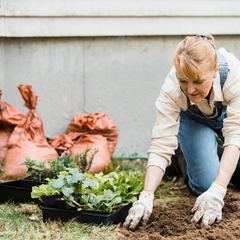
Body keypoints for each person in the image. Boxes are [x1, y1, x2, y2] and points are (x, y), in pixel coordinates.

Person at [123, 33, 240, 230]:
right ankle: (181, 156)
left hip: (230, 118)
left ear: (214, 70)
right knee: (206, 185)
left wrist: (220, 189)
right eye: (183, 81)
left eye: (198, 81)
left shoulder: (234, 75)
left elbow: (235, 134)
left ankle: (210, 154)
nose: (190, 90)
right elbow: (161, 144)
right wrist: (146, 196)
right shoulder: (172, 89)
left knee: (217, 185)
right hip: (193, 120)